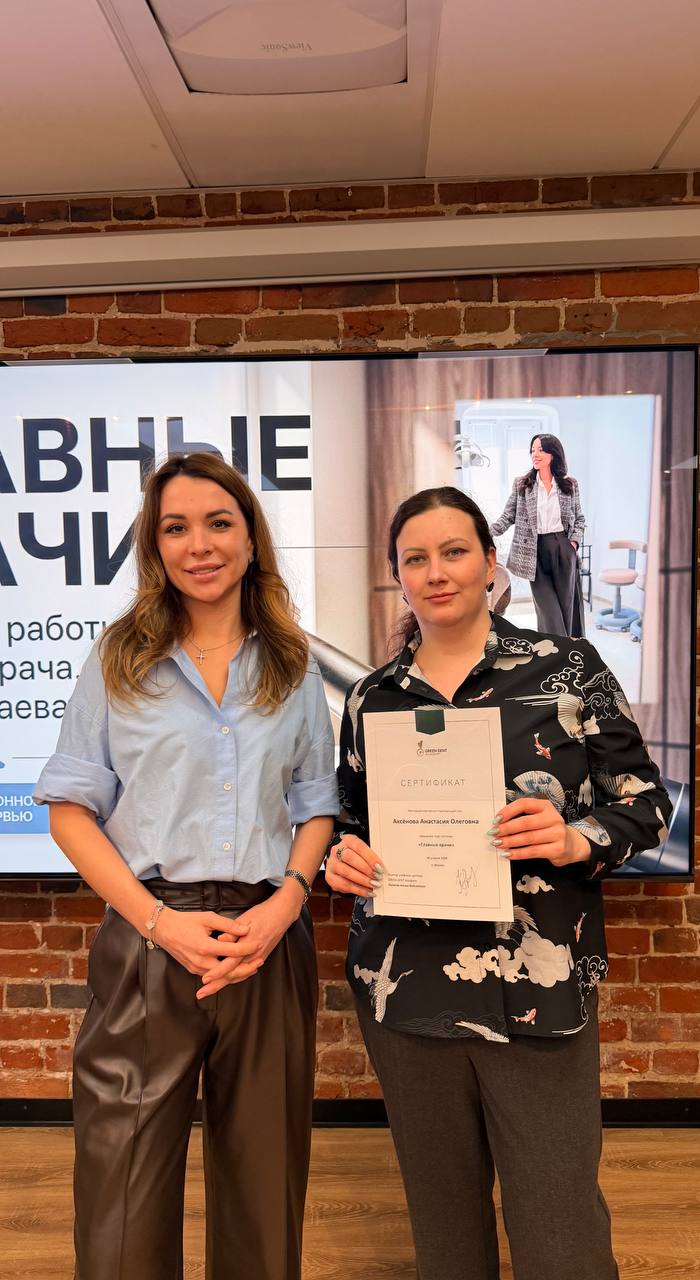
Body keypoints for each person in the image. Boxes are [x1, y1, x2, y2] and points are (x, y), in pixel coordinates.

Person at [325, 485, 670, 1280]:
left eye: (454, 552)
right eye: (416, 559)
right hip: (407, 993)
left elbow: (645, 805)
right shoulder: (375, 697)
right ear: (399, 577)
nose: (436, 572)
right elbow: (350, 821)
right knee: (445, 1235)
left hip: (538, 990)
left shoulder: (568, 668)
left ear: (489, 561)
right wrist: (341, 858)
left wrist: (576, 838)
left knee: (560, 1234)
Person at [33, 452, 338, 1280]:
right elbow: (69, 811)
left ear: (250, 538)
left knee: (266, 1190)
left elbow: (316, 804)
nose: (198, 545)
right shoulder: (117, 660)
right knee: (121, 1193)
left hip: (266, 940)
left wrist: (285, 906)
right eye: (175, 527)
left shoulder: (294, 663)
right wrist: (160, 924)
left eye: (218, 523)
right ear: (155, 546)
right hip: (149, 937)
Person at [490, 432, 586, 636]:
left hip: (563, 548)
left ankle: (569, 649)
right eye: (532, 450)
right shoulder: (522, 484)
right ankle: (556, 649)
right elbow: (507, 517)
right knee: (549, 611)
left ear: (553, 454)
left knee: (566, 608)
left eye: (540, 450)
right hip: (534, 551)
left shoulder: (570, 485)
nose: (535, 454)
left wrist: (573, 544)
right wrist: (485, 532)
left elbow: (579, 519)